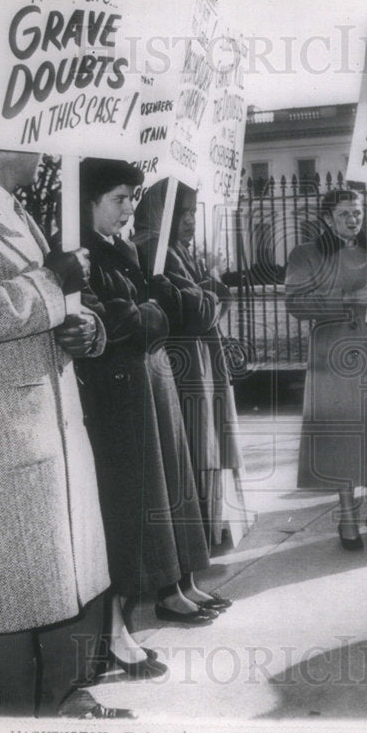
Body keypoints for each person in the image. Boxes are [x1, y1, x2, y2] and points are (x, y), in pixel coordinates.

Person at [0, 90, 126, 717]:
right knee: (4, 623)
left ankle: (61, 715)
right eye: (39, 134)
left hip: (41, 445)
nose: (47, 152)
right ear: (8, 138)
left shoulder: (16, 213)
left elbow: (43, 315)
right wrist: (52, 281)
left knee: (54, 601)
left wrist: (88, 329)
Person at [76, 160, 220, 662]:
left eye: (133, 198)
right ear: (89, 200)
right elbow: (114, 321)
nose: (128, 209)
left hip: (148, 379)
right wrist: (152, 311)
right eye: (119, 199)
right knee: (129, 507)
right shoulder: (81, 252)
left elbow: (154, 314)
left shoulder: (123, 248)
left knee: (165, 489)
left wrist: (150, 310)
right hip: (117, 393)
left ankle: (165, 589)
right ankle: (116, 629)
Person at [285, 188, 367, 549]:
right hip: (333, 356)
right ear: (327, 218)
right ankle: (347, 515)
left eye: (357, 213)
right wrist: (347, 299)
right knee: (341, 438)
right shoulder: (306, 253)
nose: (353, 220)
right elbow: (296, 303)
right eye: (344, 214)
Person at [133, 178, 243, 551]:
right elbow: (195, 310)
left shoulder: (174, 248)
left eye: (193, 212)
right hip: (185, 364)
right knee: (196, 445)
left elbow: (203, 298)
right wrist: (214, 294)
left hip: (198, 360)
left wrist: (209, 293)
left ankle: (209, 530)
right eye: (181, 212)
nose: (190, 220)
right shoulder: (154, 247)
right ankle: (200, 536)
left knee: (204, 442)